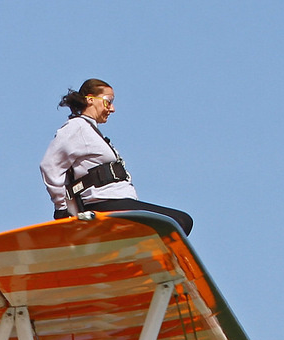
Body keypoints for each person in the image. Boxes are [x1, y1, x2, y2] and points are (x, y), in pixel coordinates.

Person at [40, 79, 194, 235]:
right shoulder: (76, 127)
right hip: (104, 204)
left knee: (180, 223)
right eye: (108, 102)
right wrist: (61, 210)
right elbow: (50, 165)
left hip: (119, 202)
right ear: (90, 99)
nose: (112, 109)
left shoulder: (91, 131)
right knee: (180, 222)